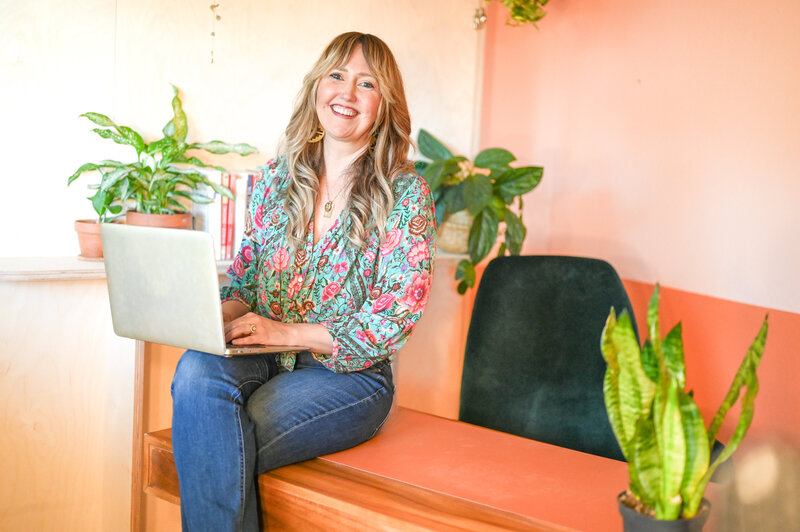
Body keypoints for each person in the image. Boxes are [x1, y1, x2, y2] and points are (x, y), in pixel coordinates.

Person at [170, 32, 436, 531]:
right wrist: (209, 313)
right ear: (317, 87)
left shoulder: (406, 194)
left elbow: (392, 321)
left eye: (366, 83)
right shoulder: (276, 179)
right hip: (258, 353)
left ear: (385, 106)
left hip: (346, 376)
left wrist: (285, 332)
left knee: (226, 431)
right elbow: (246, 285)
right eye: (337, 75)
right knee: (195, 371)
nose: (347, 92)